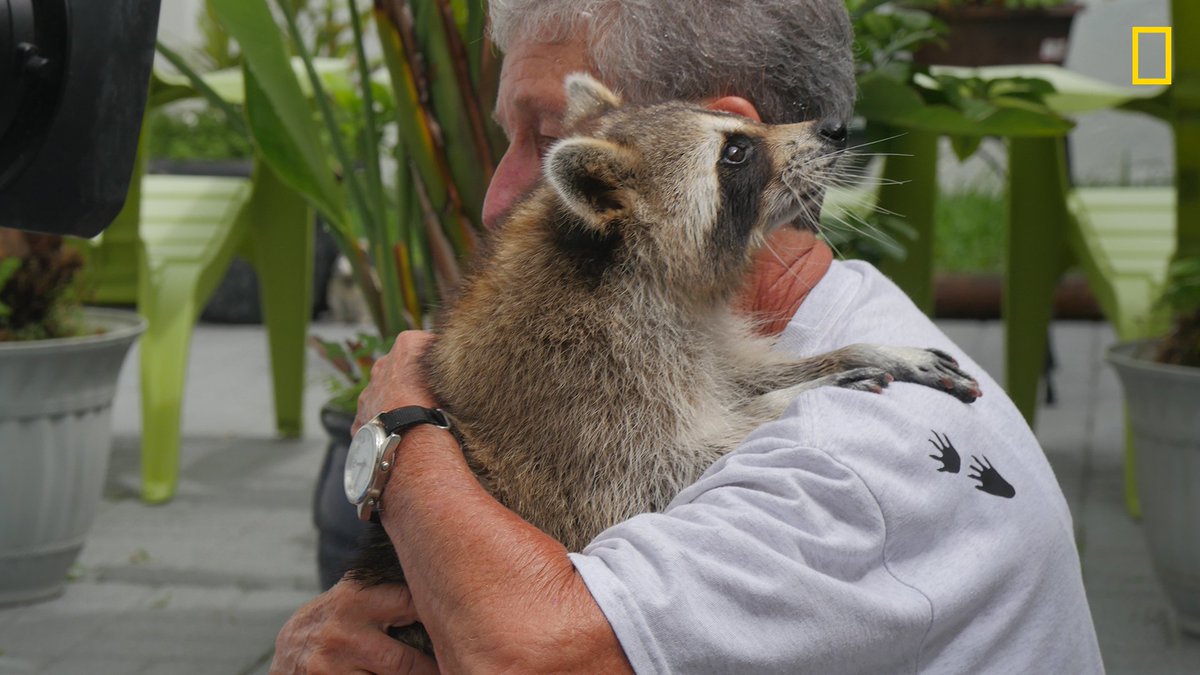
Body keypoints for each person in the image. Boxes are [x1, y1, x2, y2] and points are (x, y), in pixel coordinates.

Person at [272, 1, 1104, 672]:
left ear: (718, 131)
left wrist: (399, 428)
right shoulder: (802, 340)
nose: (499, 200)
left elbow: (521, 657)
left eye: (548, 144)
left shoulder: (856, 458)